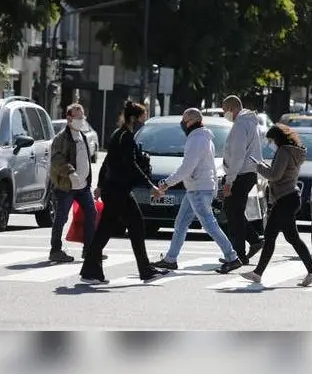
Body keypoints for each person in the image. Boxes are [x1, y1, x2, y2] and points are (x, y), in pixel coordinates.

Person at [79, 101, 168, 284]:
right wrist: (151, 186)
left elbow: (107, 164)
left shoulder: (117, 135)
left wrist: (100, 185)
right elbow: (131, 165)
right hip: (119, 192)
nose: (143, 123)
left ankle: (93, 270)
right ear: (133, 118)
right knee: (127, 227)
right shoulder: (125, 137)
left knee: (120, 228)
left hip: (115, 190)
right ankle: (143, 270)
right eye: (142, 119)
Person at [151, 108, 243, 275]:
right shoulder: (204, 138)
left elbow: (187, 168)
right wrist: (214, 187)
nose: (182, 124)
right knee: (181, 223)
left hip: (198, 189)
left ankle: (232, 257)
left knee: (209, 224)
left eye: (184, 121)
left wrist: (166, 183)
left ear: (192, 121)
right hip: (197, 188)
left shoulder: (197, 139)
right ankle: (171, 259)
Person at [241, 124, 312, 287]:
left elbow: (275, 176)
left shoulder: (284, 151)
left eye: (271, 140)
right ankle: (257, 273)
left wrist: (259, 167)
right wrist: (266, 166)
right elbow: (281, 172)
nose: (270, 143)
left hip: (285, 198)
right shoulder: (292, 151)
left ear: (277, 138)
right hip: (288, 197)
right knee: (277, 236)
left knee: (286, 237)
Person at [48, 103, 100, 263]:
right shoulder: (61, 138)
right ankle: (55, 250)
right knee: (61, 218)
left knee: (92, 214)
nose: (81, 119)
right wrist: (70, 172)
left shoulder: (82, 135)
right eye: (78, 117)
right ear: (69, 118)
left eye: (82, 116)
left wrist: (85, 180)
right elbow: (56, 159)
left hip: (83, 186)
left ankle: (89, 249)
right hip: (67, 187)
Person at [220, 95, 264, 264]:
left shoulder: (240, 125)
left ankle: (239, 253)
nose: (225, 114)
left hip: (241, 174)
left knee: (234, 214)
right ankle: (253, 241)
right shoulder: (251, 122)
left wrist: (229, 181)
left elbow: (238, 155)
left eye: (225, 111)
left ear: (232, 109)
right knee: (235, 212)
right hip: (247, 173)